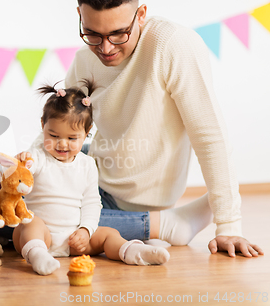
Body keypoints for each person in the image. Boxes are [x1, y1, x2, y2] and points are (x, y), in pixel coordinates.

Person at [65, 0, 263, 257]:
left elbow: (209, 135)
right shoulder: (86, 58)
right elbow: (63, 128)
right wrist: (27, 168)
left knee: (48, 218)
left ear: (141, 14)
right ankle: (161, 225)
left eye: (119, 34)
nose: (105, 48)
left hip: (134, 197)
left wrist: (229, 225)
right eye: (93, 34)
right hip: (97, 172)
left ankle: (162, 224)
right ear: (80, 16)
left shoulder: (171, 44)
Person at [12, 82, 169, 276]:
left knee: (109, 234)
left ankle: (134, 251)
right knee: (29, 223)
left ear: (87, 133)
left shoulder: (87, 165)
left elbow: (92, 203)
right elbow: (24, 170)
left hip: (74, 238)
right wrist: (20, 163)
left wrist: (85, 231)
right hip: (42, 236)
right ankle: (37, 256)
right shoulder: (37, 156)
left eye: (72, 138)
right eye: (53, 135)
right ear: (43, 125)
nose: (62, 144)